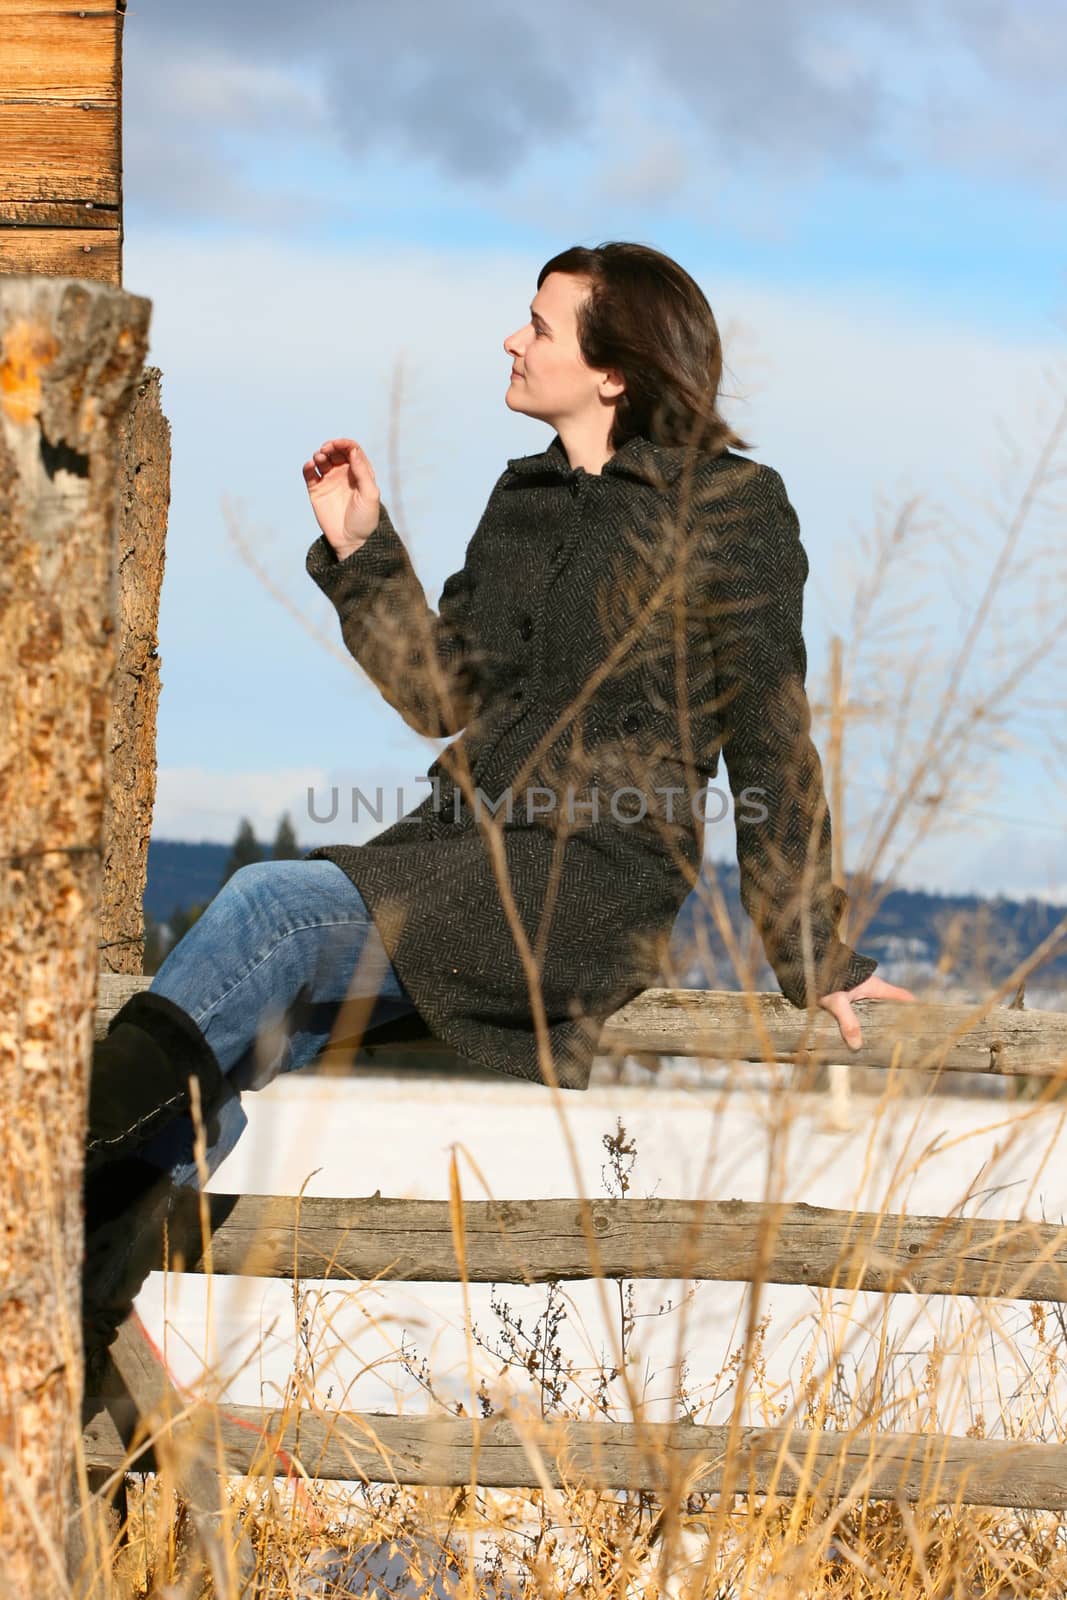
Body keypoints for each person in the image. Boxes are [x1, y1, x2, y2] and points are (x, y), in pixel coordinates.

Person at [82, 241, 916, 1361]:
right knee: (242, 1033)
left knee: (270, 910)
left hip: (588, 879)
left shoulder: (729, 506)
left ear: (613, 369)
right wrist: (365, 551)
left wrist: (808, 941)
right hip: (461, 846)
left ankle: (30, 1160)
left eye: (539, 323)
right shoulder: (521, 498)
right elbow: (441, 693)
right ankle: (71, 1293)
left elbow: (769, 730)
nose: (512, 340)